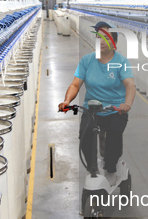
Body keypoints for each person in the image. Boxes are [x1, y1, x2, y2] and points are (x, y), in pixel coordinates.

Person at [58, 21, 136, 186]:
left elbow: (130, 85)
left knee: (114, 132)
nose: (101, 41)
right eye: (98, 37)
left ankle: (111, 168)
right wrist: (67, 100)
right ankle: (92, 168)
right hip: (92, 109)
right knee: (85, 134)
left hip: (115, 109)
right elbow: (75, 84)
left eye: (105, 38)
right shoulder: (87, 61)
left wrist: (126, 104)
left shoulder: (121, 62)